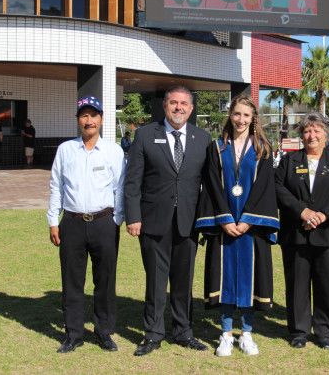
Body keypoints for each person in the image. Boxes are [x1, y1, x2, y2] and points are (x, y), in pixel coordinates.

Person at [124, 86, 211, 356]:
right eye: (173, 103)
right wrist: (133, 216)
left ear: (191, 108)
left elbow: (209, 185)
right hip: (152, 221)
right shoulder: (145, 135)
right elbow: (132, 181)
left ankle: (183, 331)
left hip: (189, 221)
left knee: (184, 281)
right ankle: (153, 333)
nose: (178, 108)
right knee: (156, 281)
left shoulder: (203, 138)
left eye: (184, 103)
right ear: (164, 106)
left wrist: (208, 221)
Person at [195, 95, 279, 357]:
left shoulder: (263, 148)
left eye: (246, 115)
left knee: (251, 282)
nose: (241, 120)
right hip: (225, 227)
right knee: (225, 278)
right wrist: (225, 218)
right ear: (229, 115)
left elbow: (265, 187)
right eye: (237, 114)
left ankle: (247, 334)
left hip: (250, 228)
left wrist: (247, 219)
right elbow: (211, 185)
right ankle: (225, 333)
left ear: (253, 118)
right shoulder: (217, 147)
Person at [46, 96, 125, 353]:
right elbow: (56, 186)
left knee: (105, 281)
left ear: (101, 119)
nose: (88, 120)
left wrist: (117, 220)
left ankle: (103, 331)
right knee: (72, 281)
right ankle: (74, 334)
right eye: (83, 115)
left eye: (93, 115)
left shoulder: (113, 150)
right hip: (72, 222)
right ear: (78, 120)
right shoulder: (66, 150)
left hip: (104, 222)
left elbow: (120, 188)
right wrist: (52, 221)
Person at [275, 112, 329, 350]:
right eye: (307, 131)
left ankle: (325, 331)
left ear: (326, 135)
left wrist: (323, 215)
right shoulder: (290, 161)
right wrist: (303, 212)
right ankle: (299, 330)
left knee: (328, 285)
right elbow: (278, 188)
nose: (312, 135)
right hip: (296, 233)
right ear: (301, 135)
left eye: (317, 131)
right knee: (297, 284)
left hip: (328, 234)